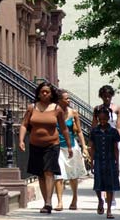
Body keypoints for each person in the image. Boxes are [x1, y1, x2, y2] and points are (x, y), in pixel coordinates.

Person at [19, 82, 73, 214]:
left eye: (47, 92)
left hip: (52, 144)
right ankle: (45, 201)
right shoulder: (32, 107)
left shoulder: (57, 108)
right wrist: (21, 140)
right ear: (38, 93)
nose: (44, 93)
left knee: (49, 171)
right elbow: (24, 124)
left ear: (51, 94)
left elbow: (64, 128)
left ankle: (48, 202)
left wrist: (69, 146)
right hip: (35, 144)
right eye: (42, 91)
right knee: (40, 174)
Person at [53, 89, 89, 211]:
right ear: (59, 100)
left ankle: (74, 198)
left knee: (73, 175)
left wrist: (84, 146)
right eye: (66, 98)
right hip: (57, 147)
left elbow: (79, 131)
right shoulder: (53, 112)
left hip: (72, 147)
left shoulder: (73, 112)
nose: (68, 100)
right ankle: (59, 201)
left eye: (69, 98)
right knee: (58, 174)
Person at [91, 85, 120, 208]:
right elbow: (94, 126)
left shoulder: (117, 108)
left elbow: (119, 126)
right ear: (101, 96)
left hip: (113, 138)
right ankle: (101, 198)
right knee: (100, 172)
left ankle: (112, 199)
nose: (107, 98)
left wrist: (116, 139)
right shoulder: (97, 109)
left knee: (114, 170)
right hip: (100, 138)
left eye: (109, 95)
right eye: (104, 95)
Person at [89, 106, 120, 219]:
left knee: (109, 185)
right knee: (98, 183)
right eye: (100, 119)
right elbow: (92, 147)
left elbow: (116, 148)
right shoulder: (94, 131)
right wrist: (91, 162)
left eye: (104, 119)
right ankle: (100, 200)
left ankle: (109, 210)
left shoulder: (113, 132)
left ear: (108, 118)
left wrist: (117, 163)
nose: (102, 121)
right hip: (98, 159)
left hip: (110, 160)